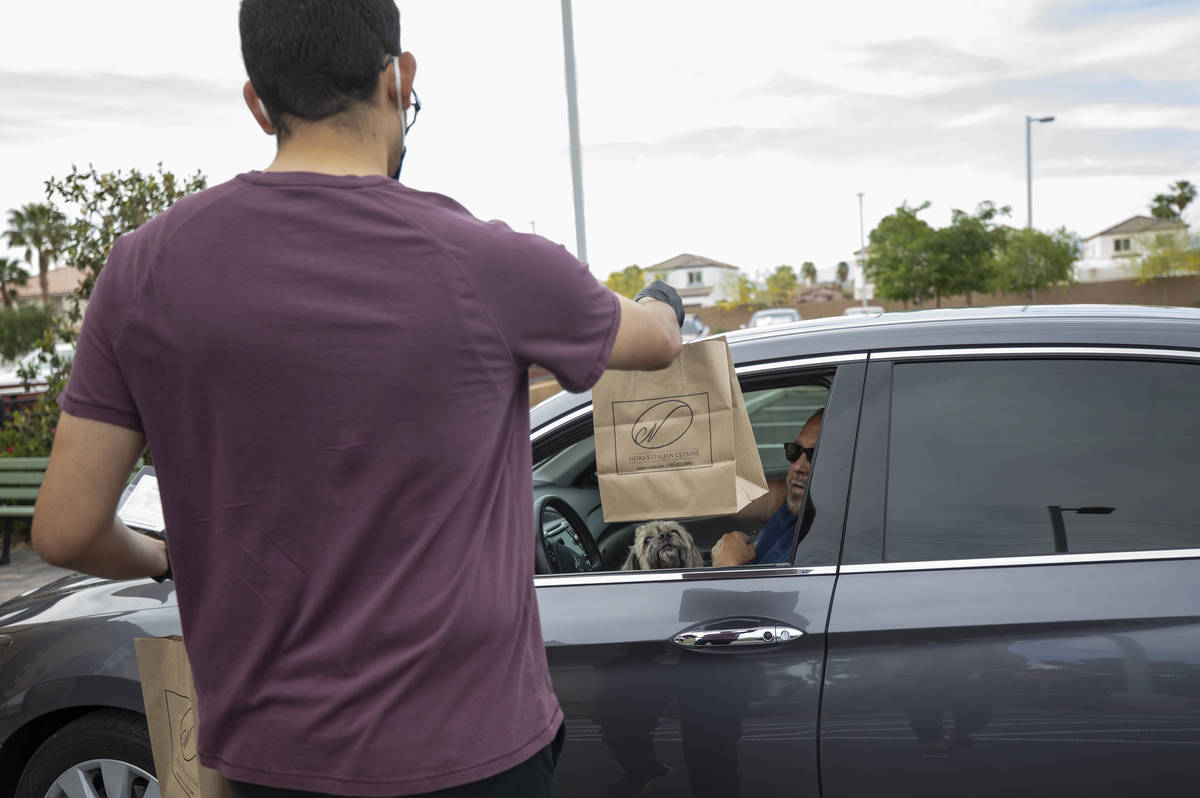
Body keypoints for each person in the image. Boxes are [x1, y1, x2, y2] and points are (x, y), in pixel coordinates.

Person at [31, 2, 683, 797]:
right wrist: (663, 303)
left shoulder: (142, 272)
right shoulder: (489, 263)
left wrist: (162, 556)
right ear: (398, 78)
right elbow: (654, 344)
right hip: (475, 756)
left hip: (273, 761)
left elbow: (65, 530)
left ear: (258, 102)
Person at [711, 408, 823, 567]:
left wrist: (727, 563)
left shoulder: (825, 552)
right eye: (795, 451)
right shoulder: (803, 499)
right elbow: (722, 495)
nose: (798, 465)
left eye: (815, 455)